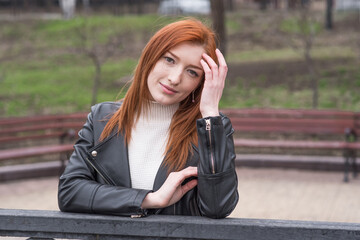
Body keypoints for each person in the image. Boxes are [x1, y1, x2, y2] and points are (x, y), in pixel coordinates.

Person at [58, 18, 238, 219]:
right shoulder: (102, 119)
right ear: (150, 57)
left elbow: (218, 206)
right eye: (169, 60)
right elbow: (70, 192)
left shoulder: (211, 128)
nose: (175, 78)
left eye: (192, 72)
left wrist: (210, 113)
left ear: (201, 83)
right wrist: (148, 200)